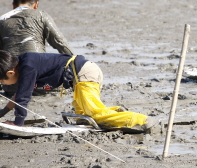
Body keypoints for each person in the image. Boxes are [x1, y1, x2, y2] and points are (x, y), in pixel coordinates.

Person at [0, 51, 150, 131]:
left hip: (84, 75)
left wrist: (18, 123)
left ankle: (141, 120)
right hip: (81, 77)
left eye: (2, 81)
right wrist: (2, 113)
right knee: (83, 118)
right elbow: (18, 95)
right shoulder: (23, 63)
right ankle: (117, 112)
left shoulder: (27, 68)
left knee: (95, 115)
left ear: (10, 73)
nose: (3, 84)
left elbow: (22, 98)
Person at [0, 0, 73, 94]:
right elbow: (60, 43)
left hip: (12, 86)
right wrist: (76, 66)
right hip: (40, 82)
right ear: (36, 4)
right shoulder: (41, 16)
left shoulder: (2, 20)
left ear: (13, 5)